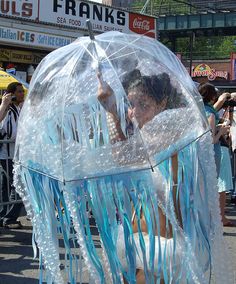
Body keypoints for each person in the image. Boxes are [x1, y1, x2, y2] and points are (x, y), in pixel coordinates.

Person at [97, 70, 182, 283]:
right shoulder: (145, 136)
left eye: (143, 105)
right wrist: (112, 111)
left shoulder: (171, 137)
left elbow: (123, 155)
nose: (134, 112)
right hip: (135, 237)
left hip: (162, 246)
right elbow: (123, 156)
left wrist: (111, 112)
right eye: (132, 104)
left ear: (162, 104)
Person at [198, 83, 232, 227]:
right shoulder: (211, 113)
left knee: (201, 187)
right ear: (212, 97)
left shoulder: (199, 110)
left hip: (200, 152)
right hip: (212, 153)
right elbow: (212, 140)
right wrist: (221, 132)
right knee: (211, 187)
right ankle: (210, 221)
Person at [0, 82, 24, 229]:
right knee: (19, 186)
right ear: (13, 94)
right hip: (8, 155)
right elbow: (11, 133)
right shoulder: (9, 110)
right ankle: (9, 218)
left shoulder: (16, 109)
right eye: (20, 92)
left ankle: (5, 216)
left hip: (11, 155)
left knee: (5, 188)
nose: (22, 94)